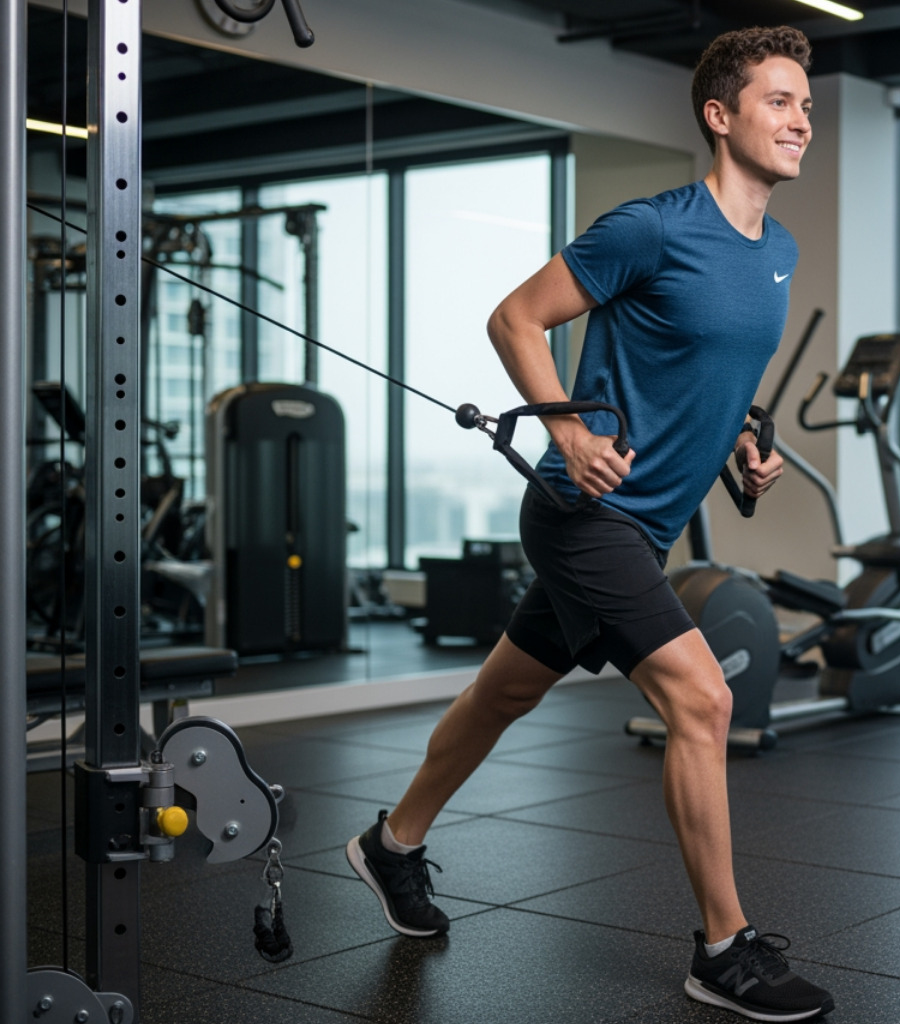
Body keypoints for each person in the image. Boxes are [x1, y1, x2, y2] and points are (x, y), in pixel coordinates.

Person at [344, 25, 834, 1023]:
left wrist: (748, 437)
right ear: (720, 113)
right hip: (584, 515)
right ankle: (724, 948)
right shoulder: (649, 228)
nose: (801, 122)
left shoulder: (776, 248)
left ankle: (390, 846)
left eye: (808, 107)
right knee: (702, 702)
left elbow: (710, 368)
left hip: (644, 525)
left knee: (501, 694)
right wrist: (564, 425)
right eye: (780, 102)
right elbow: (514, 318)